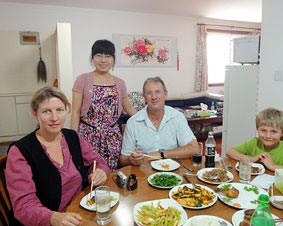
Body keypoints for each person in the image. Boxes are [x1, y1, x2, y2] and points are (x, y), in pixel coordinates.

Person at [5, 87, 110, 226]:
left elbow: (99, 162)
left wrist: (100, 172)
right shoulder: (20, 151)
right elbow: (23, 207)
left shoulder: (73, 137)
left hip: (80, 212)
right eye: (46, 111)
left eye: (60, 110)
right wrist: (53, 218)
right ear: (35, 114)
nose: (54, 118)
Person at [70, 39, 137, 171]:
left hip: (112, 137)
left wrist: (148, 118)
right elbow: (76, 112)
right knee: (90, 172)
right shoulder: (82, 80)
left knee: (112, 172)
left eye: (108, 56)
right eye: (99, 55)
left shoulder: (120, 82)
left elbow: (128, 107)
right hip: (87, 135)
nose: (103, 60)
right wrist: (72, 139)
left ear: (113, 59)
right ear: (92, 58)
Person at [119, 77, 198, 167]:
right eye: (149, 93)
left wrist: (161, 154)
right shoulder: (133, 122)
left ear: (165, 95)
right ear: (144, 98)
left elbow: (194, 148)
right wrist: (131, 160)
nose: (154, 97)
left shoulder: (177, 117)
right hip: (144, 174)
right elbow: (123, 159)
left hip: (174, 171)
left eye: (157, 92)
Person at [226, 107, 283, 171]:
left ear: (282, 133)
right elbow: (230, 152)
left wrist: (273, 166)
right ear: (257, 129)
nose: (268, 136)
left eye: (273, 131)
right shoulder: (254, 142)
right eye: (263, 130)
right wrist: (251, 159)